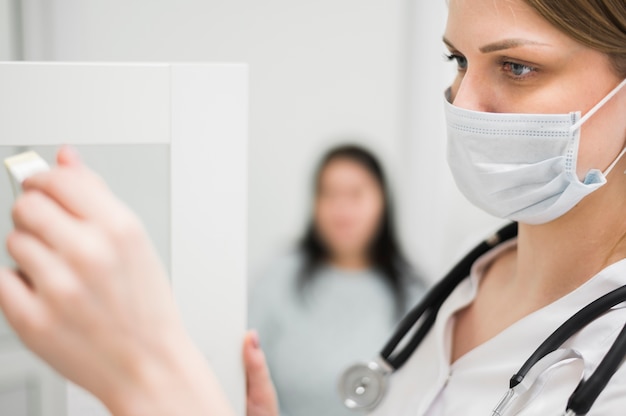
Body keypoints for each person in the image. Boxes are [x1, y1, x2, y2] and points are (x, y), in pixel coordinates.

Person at [0, 0, 626, 415]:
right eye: (458, 61)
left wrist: (155, 384)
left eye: (517, 67)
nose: (462, 102)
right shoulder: (462, 288)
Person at [249, 145, 424, 416]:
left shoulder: (415, 293)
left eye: (356, 195)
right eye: (329, 194)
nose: (341, 210)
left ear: (382, 202)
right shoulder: (278, 277)